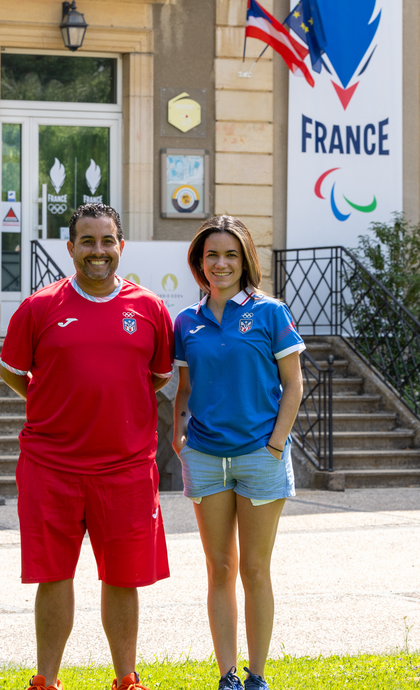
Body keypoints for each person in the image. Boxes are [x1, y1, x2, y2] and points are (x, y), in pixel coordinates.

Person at [0, 203, 173, 690]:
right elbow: (11, 372)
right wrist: (55, 401)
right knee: (53, 575)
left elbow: (158, 376)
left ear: (121, 246)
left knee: (123, 577)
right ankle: (46, 681)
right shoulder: (39, 306)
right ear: (70, 247)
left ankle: (126, 679)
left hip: (126, 469)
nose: (99, 251)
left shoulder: (150, 308)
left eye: (107, 241)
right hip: (50, 465)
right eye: (88, 242)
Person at [171, 216, 304, 690]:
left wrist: (274, 445)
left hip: (259, 458)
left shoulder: (271, 312)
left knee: (254, 569)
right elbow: (184, 388)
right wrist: (178, 433)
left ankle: (257, 676)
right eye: (212, 255)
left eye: (230, 254)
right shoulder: (186, 321)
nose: (221, 263)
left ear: (245, 259)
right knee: (220, 568)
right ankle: (227, 675)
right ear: (199, 262)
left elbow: (294, 385)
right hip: (206, 459)